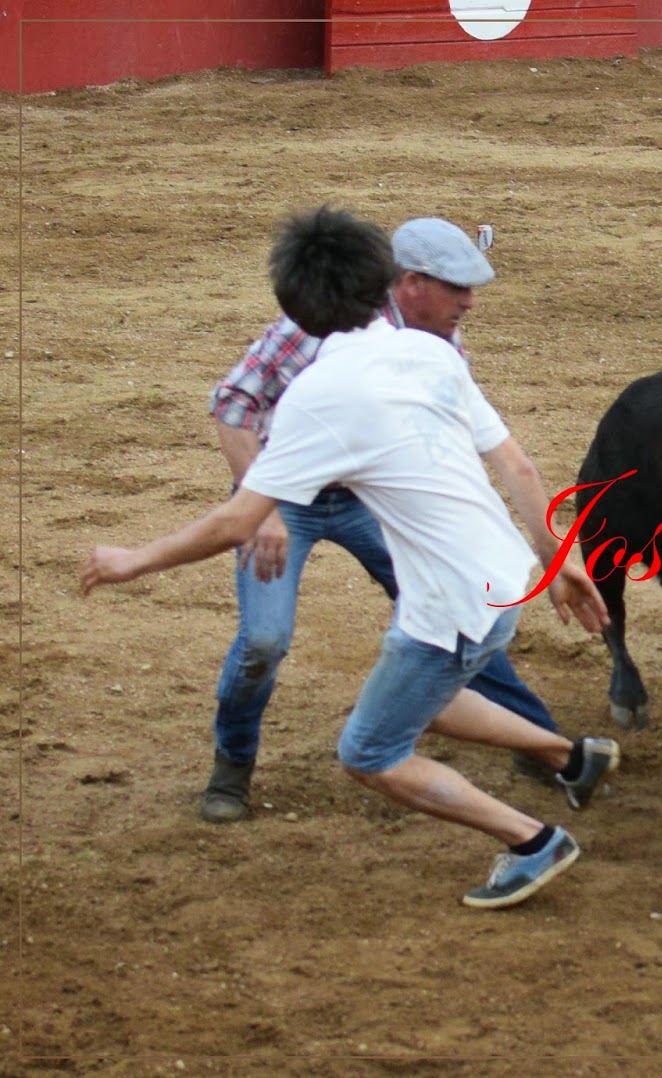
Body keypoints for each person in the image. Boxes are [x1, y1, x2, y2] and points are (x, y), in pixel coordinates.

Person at [82, 206, 618, 910]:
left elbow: (236, 521)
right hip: (497, 576)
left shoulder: (318, 394)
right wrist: (558, 559)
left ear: (299, 305)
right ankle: (572, 757)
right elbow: (516, 464)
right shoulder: (431, 352)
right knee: (423, 697)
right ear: (386, 281)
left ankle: (532, 840)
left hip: (452, 602)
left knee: (370, 752)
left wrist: (131, 560)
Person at [201, 215, 565, 824]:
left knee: (459, 608)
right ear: (410, 283)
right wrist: (263, 508)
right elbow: (233, 405)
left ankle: (540, 744)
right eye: (456, 288)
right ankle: (232, 764)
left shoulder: (438, 342)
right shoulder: (314, 325)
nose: (469, 303)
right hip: (284, 499)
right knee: (264, 639)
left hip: (370, 498)